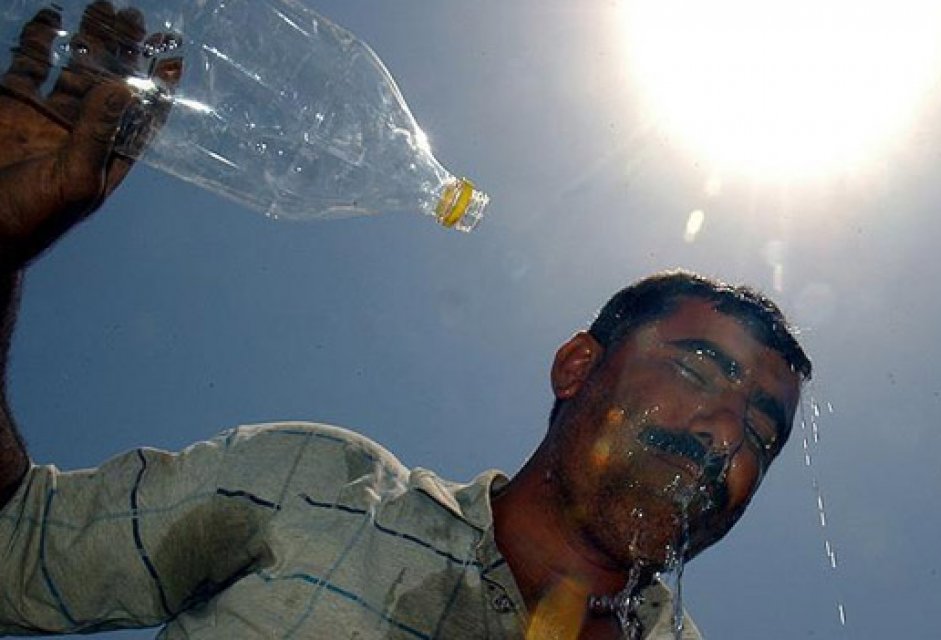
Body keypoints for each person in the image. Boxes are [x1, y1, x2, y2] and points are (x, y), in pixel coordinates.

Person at [0, 4, 812, 639]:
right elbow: (17, 548)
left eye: (764, 434)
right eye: (699, 370)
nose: (726, 433)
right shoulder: (310, 493)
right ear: (575, 365)